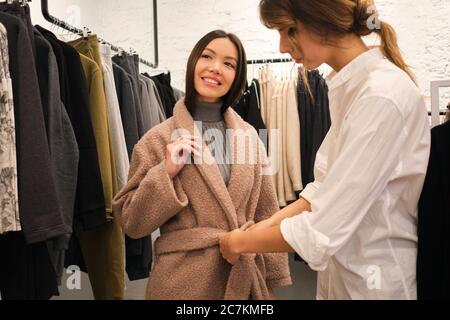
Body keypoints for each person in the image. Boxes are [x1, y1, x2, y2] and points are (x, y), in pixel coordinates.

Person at [219, 0, 431, 300]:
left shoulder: (381, 95)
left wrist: (242, 243)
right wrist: (261, 227)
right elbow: (322, 190)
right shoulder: (353, 92)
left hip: (374, 285)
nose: (281, 47)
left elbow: (324, 227)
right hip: (345, 278)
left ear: (320, 20)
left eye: (288, 30)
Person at [113, 30, 291, 300]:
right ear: (194, 62)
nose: (215, 68)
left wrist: (269, 284)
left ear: (237, 76)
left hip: (244, 279)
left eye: (229, 64)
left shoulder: (251, 138)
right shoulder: (158, 138)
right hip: (182, 283)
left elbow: (267, 213)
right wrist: (166, 172)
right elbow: (131, 222)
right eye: (207, 56)